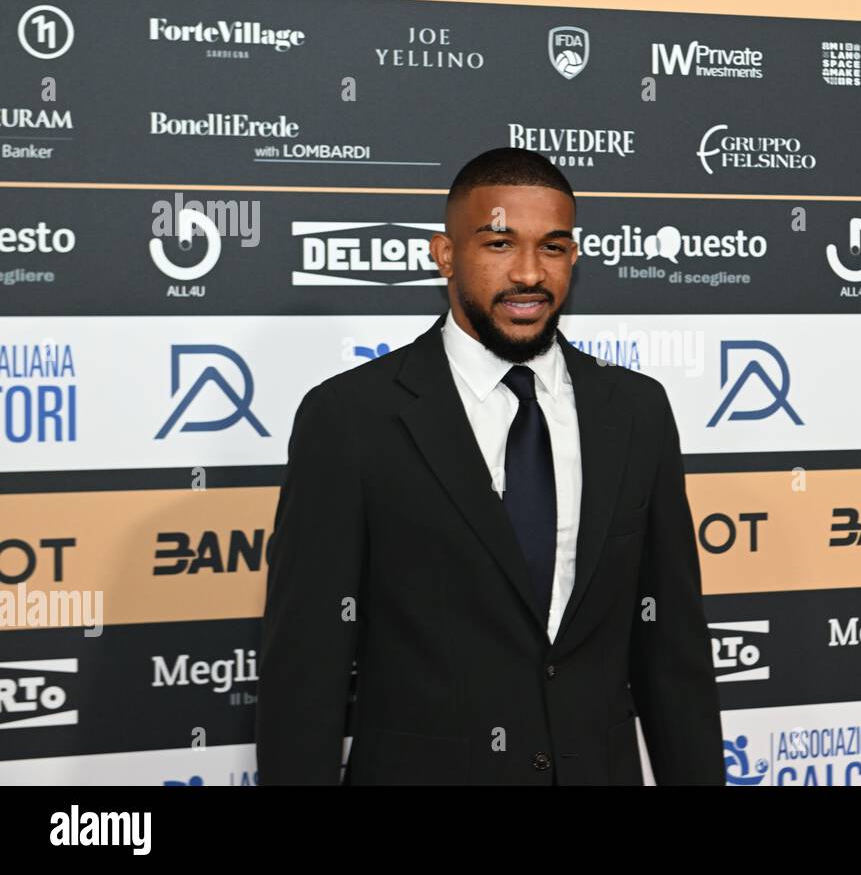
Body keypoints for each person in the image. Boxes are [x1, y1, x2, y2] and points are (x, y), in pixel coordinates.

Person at [254, 147, 724, 785]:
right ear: (444, 254)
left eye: (552, 248)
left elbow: (673, 651)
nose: (529, 274)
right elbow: (306, 670)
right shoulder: (350, 419)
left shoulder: (637, 410)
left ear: (574, 257)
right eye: (499, 244)